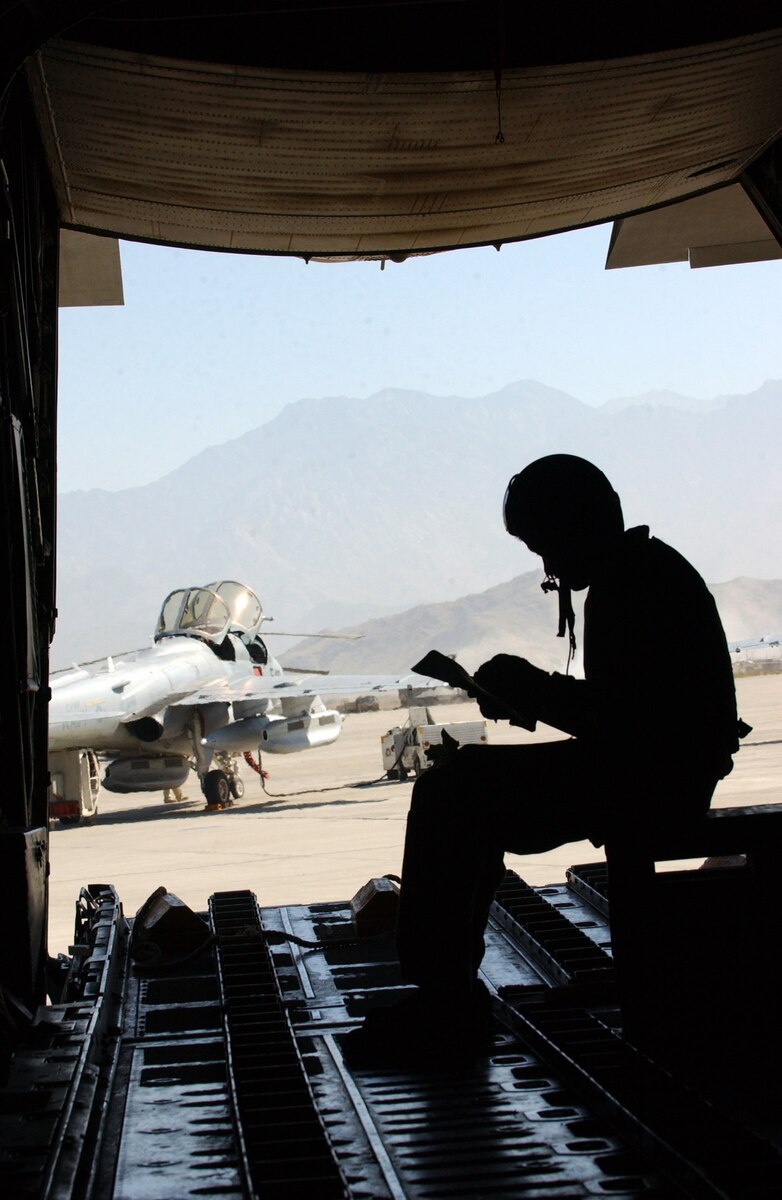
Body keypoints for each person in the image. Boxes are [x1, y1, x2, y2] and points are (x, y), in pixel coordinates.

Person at [344, 454, 741, 1064]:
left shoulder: (635, 585)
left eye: (548, 546)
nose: (549, 566)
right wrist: (533, 697)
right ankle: (449, 991)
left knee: (453, 794)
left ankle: (445, 1001)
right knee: (464, 786)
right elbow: (630, 717)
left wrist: (534, 689)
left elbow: (632, 725)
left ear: (579, 525)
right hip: (656, 774)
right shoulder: (641, 572)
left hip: (654, 782)